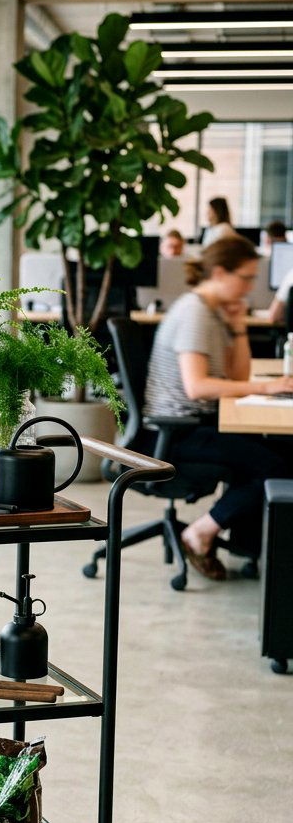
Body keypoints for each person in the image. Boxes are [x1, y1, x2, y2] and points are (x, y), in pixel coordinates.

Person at [144, 235, 293, 580]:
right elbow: (198, 387)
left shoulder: (213, 311)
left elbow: (236, 375)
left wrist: (238, 326)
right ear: (221, 273)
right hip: (177, 432)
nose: (250, 286)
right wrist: (267, 387)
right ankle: (200, 533)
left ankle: (248, 546)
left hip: (198, 423)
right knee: (277, 466)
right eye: (246, 278)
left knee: (278, 452)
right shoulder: (195, 312)